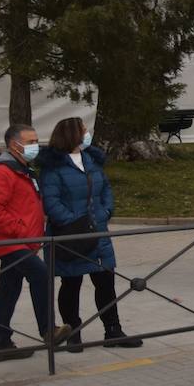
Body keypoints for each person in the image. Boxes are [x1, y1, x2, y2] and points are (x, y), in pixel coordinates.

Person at [38, 117, 140, 350]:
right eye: (84, 131)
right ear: (72, 134)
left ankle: (113, 330)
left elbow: (106, 190)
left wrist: (104, 212)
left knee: (105, 281)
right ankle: (72, 331)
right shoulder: (53, 166)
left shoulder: (91, 159)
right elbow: (51, 202)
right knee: (71, 283)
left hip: (98, 231)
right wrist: (74, 222)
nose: (87, 134)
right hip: (71, 234)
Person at [0, 124, 70, 360]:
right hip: (11, 241)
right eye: (30, 142)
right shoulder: (2, 171)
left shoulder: (22, 168)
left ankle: (0, 343)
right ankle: (48, 330)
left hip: (25, 240)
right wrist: (20, 230)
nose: (35, 146)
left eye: (35, 140)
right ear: (14, 144)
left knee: (9, 290)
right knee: (41, 274)